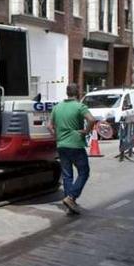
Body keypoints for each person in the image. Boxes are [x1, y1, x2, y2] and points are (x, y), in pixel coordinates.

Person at [48, 83, 97, 215]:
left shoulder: (57, 107)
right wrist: (86, 131)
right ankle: (71, 197)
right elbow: (92, 120)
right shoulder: (80, 106)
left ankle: (70, 202)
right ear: (78, 93)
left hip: (62, 145)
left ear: (67, 93)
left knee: (67, 175)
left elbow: (49, 126)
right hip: (76, 145)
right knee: (84, 172)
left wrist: (57, 136)